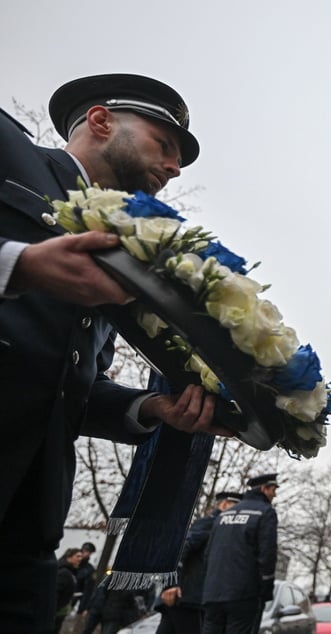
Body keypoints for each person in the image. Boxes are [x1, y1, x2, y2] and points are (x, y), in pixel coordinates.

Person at [0, 73, 226, 630]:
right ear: (101, 121)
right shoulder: (9, 152)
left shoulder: (128, 248)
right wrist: (18, 264)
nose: (174, 168)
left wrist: (151, 410)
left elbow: (75, 384)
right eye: (164, 146)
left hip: (29, 518)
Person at [201, 474, 279, 634]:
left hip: (212, 594)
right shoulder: (265, 512)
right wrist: (265, 590)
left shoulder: (222, 515)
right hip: (243, 595)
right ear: (264, 489)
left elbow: (208, 555)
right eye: (273, 490)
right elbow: (267, 555)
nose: (275, 494)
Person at [157, 491, 242, 634]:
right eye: (237, 508)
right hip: (188, 599)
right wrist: (171, 584)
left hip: (183, 599)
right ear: (224, 505)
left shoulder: (216, 527)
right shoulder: (211, 524)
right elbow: (179, 548)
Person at [55, 548, 83, 631]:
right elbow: (56, 592)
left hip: (60, 611)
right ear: (69, 557)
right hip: (56, 612)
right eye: (77, 556)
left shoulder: (70, 572)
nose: (80, 559)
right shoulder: (64, 572)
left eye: (81, 557)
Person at [74, 542, 98, 616]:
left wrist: (83, 608)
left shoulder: (89, 570)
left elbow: (88, 590)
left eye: (88, 552)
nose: (86, 554)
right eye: (85, 551)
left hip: (74, 597)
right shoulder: (71, 562)